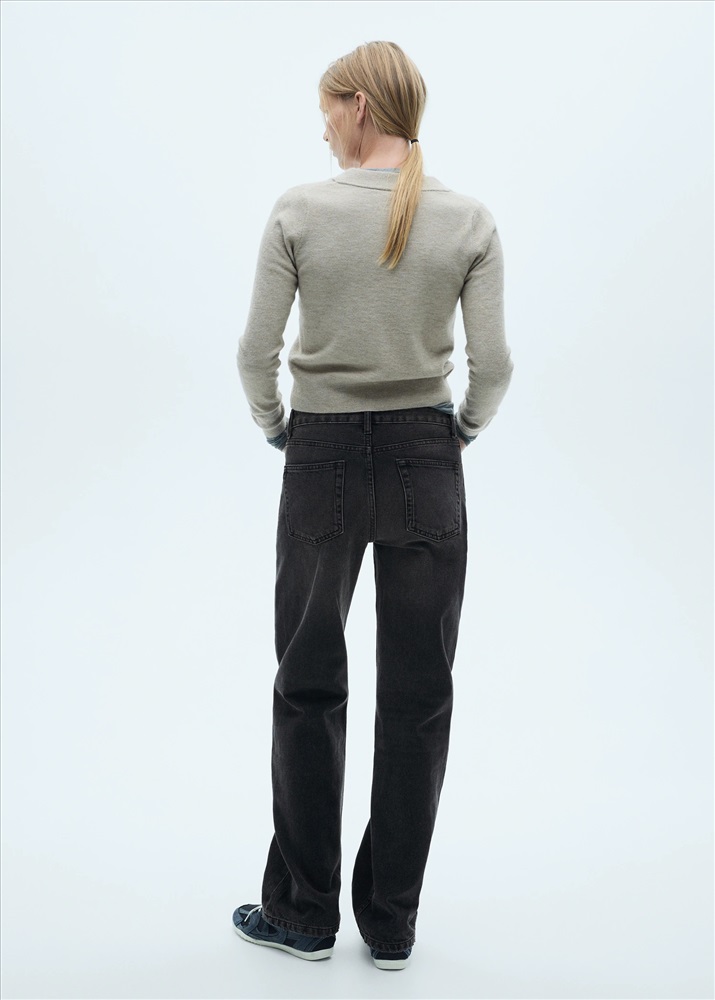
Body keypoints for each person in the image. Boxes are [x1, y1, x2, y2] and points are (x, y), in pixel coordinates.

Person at [231, 40, 514, 971]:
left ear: (357, 105)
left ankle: (304, 916)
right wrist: (456, 433)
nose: (321, 128)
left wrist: (279, 428)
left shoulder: (300, 211)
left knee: (307, 683)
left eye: (326, 109)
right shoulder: (468, 219)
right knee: (419, 693)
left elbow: (254, 353)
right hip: (426, 459)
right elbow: (494, 366)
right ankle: (390, 927)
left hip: (319, 456)